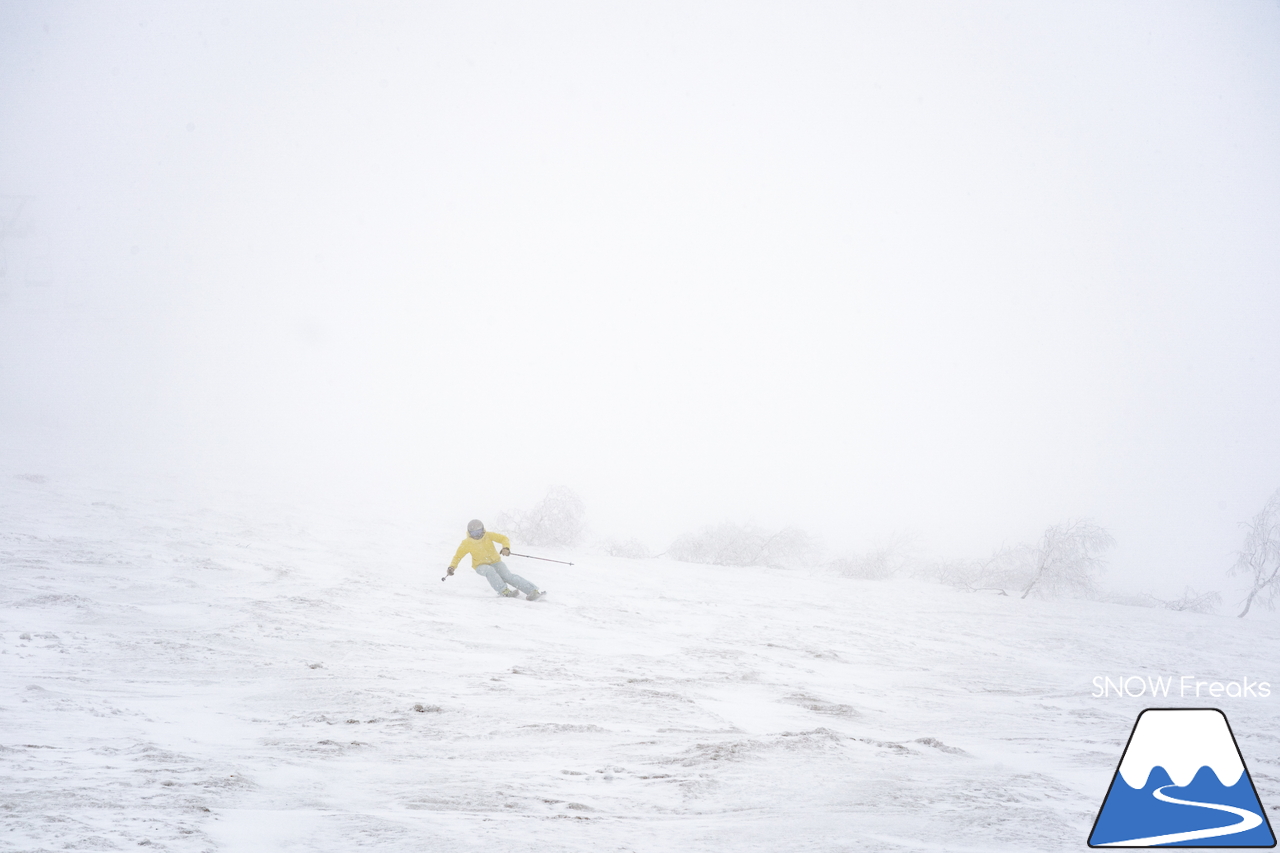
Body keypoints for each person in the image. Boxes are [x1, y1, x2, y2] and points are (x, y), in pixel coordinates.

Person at [446, 519, 543, 600]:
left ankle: (532, 591)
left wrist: (506, 548)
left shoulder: (488, 535)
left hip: (495, 562)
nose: (477, 535)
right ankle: (504, 591)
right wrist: (452, 567)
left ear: (482, 530)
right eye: (474, 533)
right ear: (469, 533)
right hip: (480, 566)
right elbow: (457, 556)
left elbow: (503, 538)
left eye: (479, 532)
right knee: (490, 571)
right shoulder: (466, 543)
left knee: (508, 576)